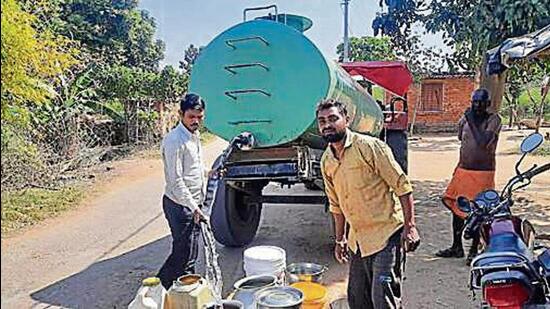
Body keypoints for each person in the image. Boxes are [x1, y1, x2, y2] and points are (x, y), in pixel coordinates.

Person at [317, 99, 420, 309]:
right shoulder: (327, 160)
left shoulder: (370, 147)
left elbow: (402, 186)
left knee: (383, 300)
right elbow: (336, 205)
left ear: (347, 119)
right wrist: (340, 240)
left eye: (333, 118)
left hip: (386, 235)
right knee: (358, 300)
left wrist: (410, 227)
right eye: (322, 121)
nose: (327, 124)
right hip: (358, 241)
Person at [435, 88, 502, 263]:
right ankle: (456, 246)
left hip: (483, 173)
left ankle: (474, 249)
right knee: (458, 210)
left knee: (479, 211)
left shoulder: (494, 120)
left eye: (481, 103)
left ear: (488, 104)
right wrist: (468, 120)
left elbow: (482, 143)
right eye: (474, 102)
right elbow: (461, 138)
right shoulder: (465, 119)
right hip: (463, 170)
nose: (477, 106)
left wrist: (471, 120)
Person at [157, 93, 208, 289]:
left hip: (192, 204)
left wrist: (209, 172)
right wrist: (194, 208)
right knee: (182, 254)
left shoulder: (194, 136)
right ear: (180, 114)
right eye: (191, 117)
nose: (196, 121)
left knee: (190, 253)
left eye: (199, 117)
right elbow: (176, 180)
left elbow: (193, 168)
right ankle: (157, 289)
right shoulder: (174, 141)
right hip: (180, 206)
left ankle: (184, 291)